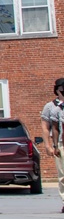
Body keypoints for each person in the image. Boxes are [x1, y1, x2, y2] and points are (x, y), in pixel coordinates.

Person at [39, 78, 64, 210]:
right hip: (60, 143)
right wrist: (48, 146)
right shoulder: (50, 106)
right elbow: (46, 128)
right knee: (62, 175)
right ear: (57, 90)